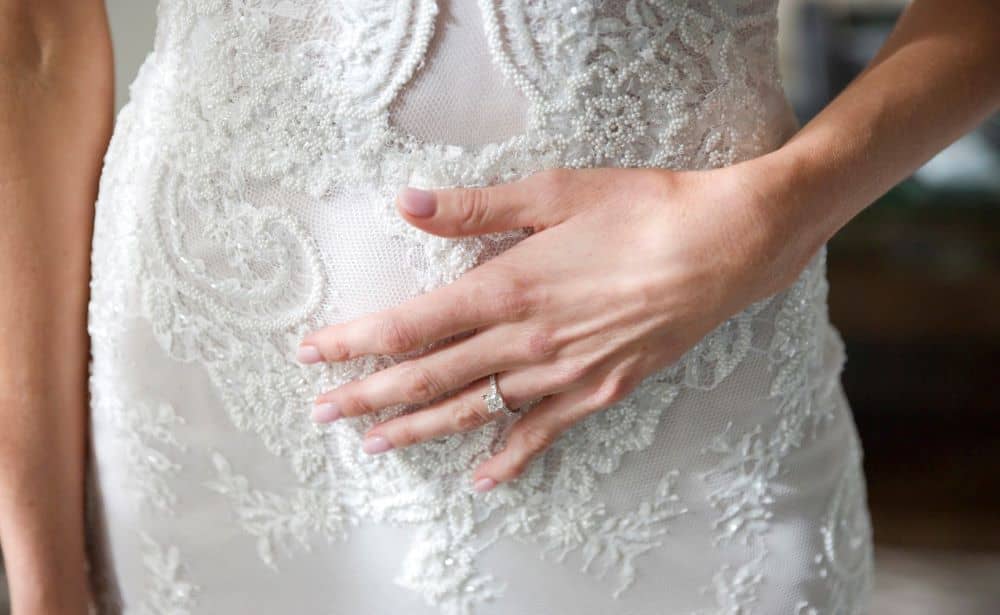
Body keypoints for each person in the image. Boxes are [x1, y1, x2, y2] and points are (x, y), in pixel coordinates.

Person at [1, 0, 998, 613]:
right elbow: (29, 48)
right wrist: (41, 582)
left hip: (692, 397)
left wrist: (766, 220)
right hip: (217, 421)